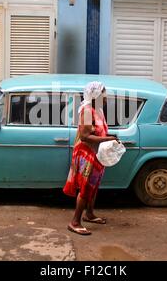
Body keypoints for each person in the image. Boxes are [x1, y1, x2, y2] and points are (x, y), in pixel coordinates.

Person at [63, 81, 118, 235]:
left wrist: (109, 139)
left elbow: (99, 132)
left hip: (97, 153)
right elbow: (85, 137)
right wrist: (108, 139)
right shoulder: (87, 112)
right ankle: (75, 222)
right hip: (87, 154)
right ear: (95, 96)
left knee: (94, 185)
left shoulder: (97, 110)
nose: (106, 98)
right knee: (86, 188)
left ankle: (89, 214)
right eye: (104, 95)